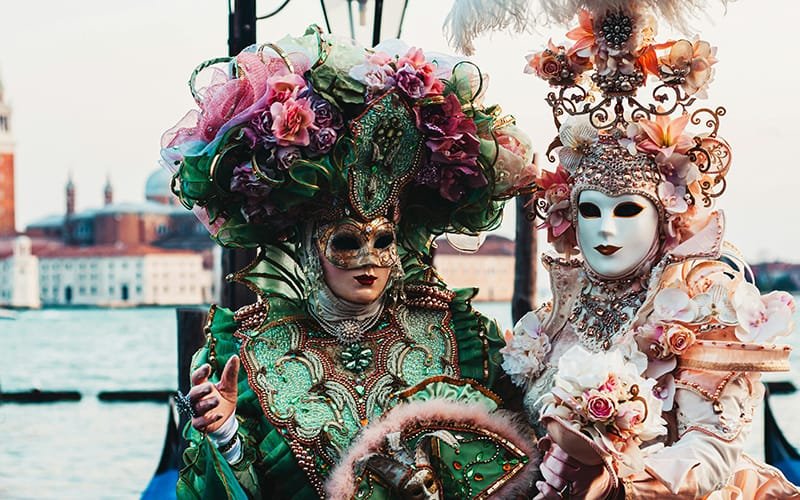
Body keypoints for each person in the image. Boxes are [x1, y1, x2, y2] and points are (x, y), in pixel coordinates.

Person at [161, 27, 538, 499]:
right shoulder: (247, 353)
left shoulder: (460, 338)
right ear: (306, 246)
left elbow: (516, 466)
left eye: (382, 240)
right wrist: (227, 437)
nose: (369, 260)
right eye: (345, 242)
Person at [484, 4, 800, 499]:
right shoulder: (549, 321)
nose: (606, 229)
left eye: (627, 210)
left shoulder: (702, 302)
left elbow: (712, 449)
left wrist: (617, 481)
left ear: (664, 216)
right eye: (590, 211)